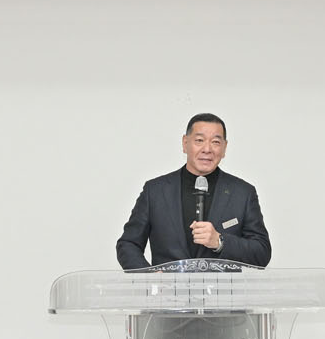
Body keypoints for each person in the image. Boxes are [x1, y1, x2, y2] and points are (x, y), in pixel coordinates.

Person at [115, 113, 272, 269]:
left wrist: (220, 242)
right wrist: (150, 276)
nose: (207, 149)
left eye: (216, 142)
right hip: (168, 285)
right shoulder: (155, 191)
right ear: (185, 143)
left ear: (224, 148)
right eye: (199, 140)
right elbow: (128, 244)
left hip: (220, 286)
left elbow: (262, 252)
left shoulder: (243, 193)